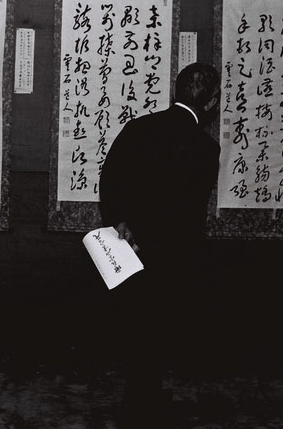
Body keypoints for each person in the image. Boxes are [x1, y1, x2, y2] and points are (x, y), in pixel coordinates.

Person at [99, 62, 221, 427]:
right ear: (211, 102)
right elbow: (191, 209)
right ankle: (141, 408)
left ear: (176, 91)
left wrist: (120, 221)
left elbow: (110, 177)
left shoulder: (138, 128)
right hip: (174, 254)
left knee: (138, 329)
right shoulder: (206, 147)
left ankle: (141, 400)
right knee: (159, 330)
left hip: (131, 246)